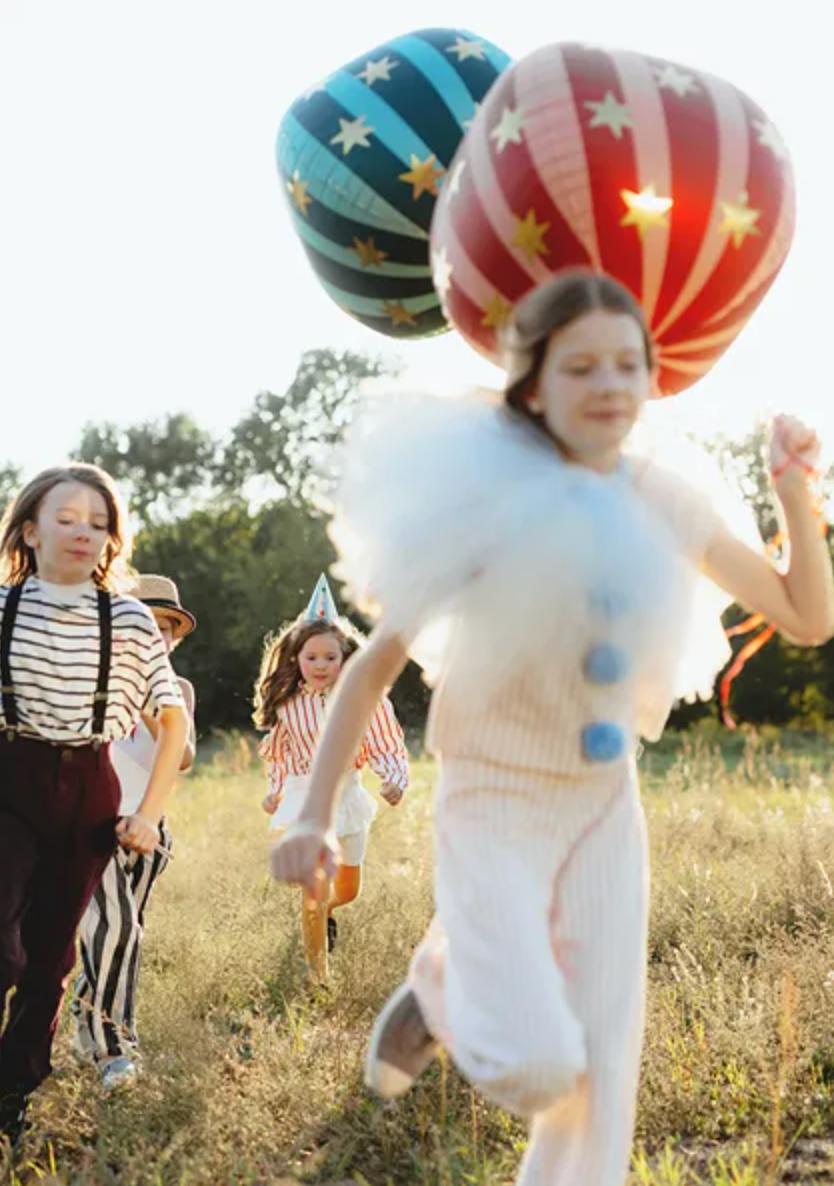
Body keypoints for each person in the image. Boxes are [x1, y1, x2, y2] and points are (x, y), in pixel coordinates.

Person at [270, 271, 834, 1185]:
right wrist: (313, 817)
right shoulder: (487, 498)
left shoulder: (664, 495)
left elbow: (806, 617)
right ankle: (441, 993)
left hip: (604, 804)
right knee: (539, 1067)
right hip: (491, 797)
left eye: (628, 364)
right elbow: (371, 670)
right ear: (532, 385)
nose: (610, 385)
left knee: (599, 1089)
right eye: (581, 368)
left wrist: (792, 490)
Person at [0, 465, 189, 1149]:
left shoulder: (130, 620)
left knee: (50, 961)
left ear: (112, 540)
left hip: (88, 788)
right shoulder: (3, 606)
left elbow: (173, 722)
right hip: (10, 776)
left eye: (99, 523)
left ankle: (11, 1097)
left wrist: (148, 814)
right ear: (30, 530)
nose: (84, 532)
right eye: (66, 518)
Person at [71, 574, 197, 1092]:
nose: (156, 635)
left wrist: (150, 700)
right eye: (144, 623)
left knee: (118, 935)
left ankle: (85, 1018)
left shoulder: (178, 691)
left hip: (149, 829)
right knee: (117, 927)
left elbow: (183, 756)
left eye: (166, 628)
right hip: (92, 826)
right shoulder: (88, 678)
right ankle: (115, 1049)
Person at [255, 575, 409, 981]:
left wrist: (393, 780)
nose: (320, 666)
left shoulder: (364, 699)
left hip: (349, 794)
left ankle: (325, 916)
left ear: (345, 658)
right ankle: (317, 975)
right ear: (296, 659)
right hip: (304, 797)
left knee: (347, 890)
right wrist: (275, 792)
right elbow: (279, 752)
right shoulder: (288, 706)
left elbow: (385, 743)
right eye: (311, 657)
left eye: (329, 657)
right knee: (315, 890)